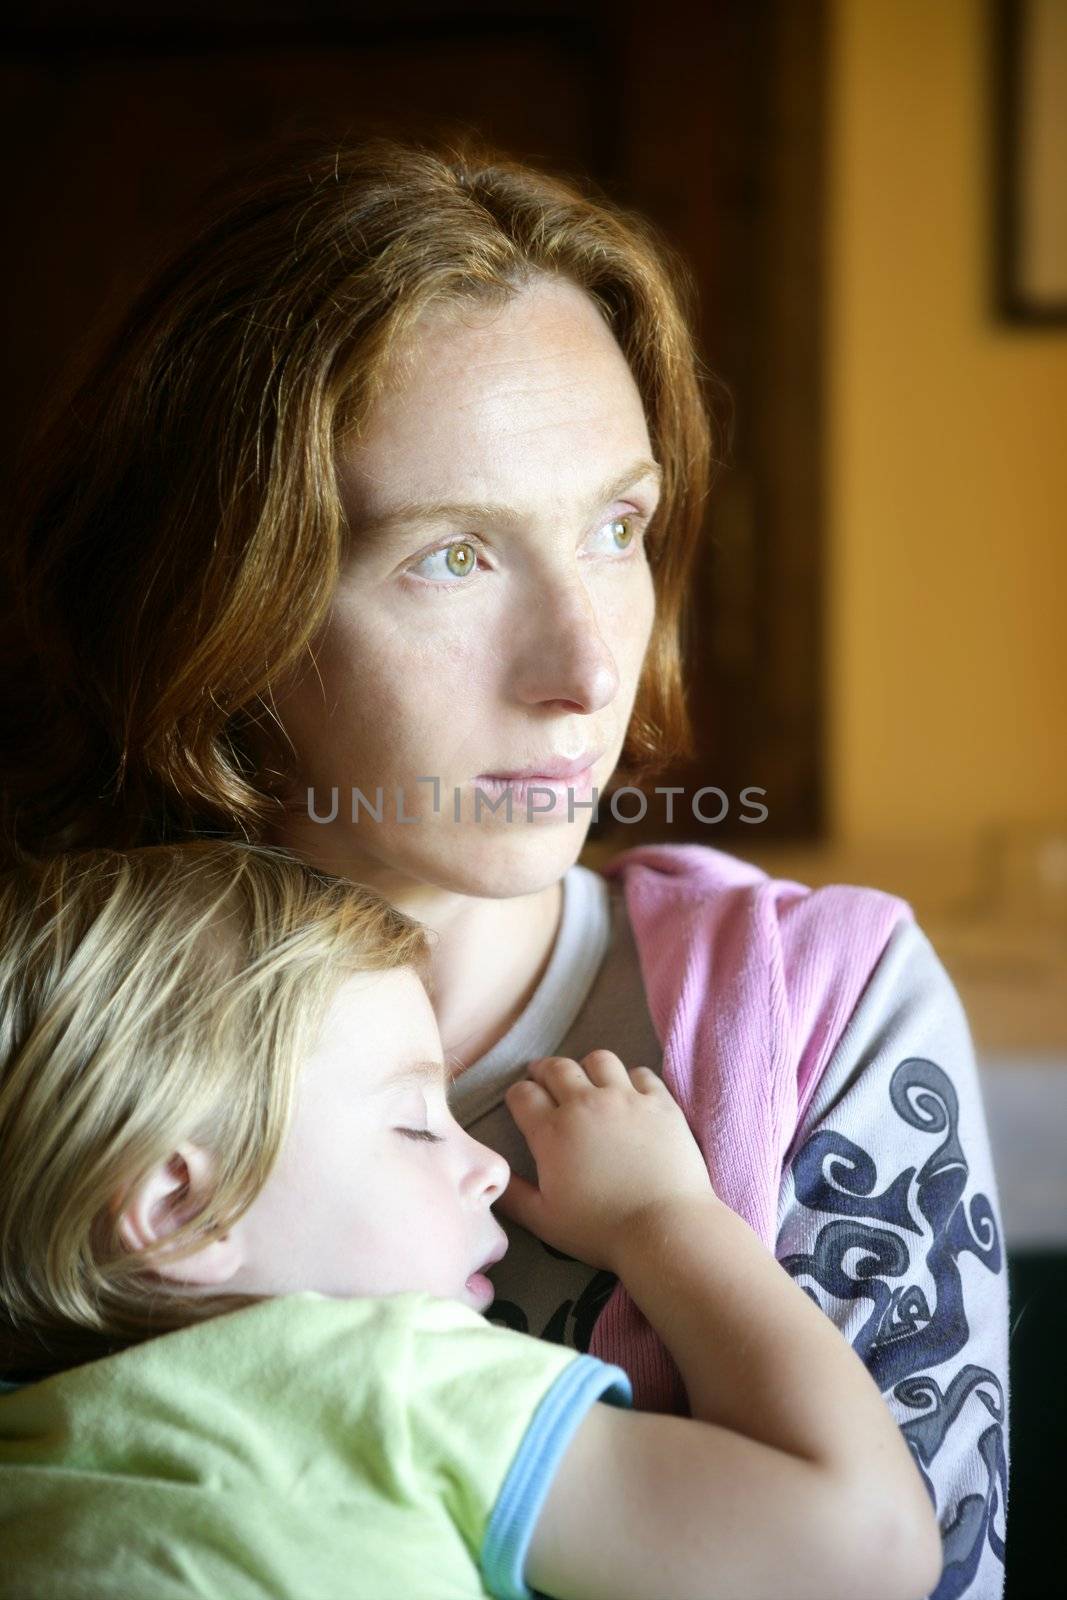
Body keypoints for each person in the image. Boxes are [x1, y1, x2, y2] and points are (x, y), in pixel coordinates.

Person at [0, 136, 1008, 1597]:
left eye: (618, 527)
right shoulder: (46, 1021)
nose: (588, 667)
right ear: (216, 593)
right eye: (451, 556)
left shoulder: (812, 1007)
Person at [0, 840, 942, 1600]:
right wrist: (664, 1216)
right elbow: (866, 1545)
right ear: (182, 1211)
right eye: (413, 1124)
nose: (488, 1165)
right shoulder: (386, 1380)